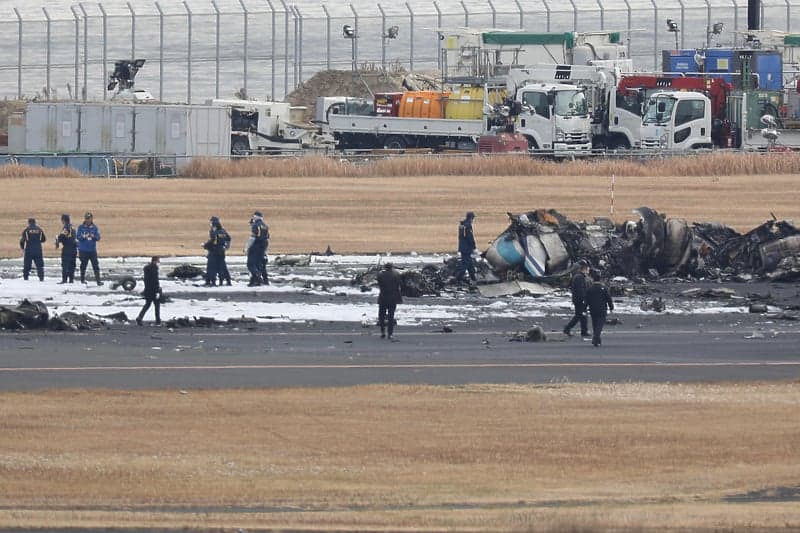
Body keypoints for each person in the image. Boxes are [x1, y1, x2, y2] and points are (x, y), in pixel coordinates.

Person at [586, 270, 614, 347]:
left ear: (593, 280)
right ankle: (596, 338)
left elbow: (586, 299)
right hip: (602, 309)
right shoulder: (603, 288)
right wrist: (611, 307)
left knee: (595, 324)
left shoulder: (590, 289)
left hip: (592, 309)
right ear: (600, 280)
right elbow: (608, 298)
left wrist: (584, 308)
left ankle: (598, 340)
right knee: (600, 325)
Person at [563, 259, 590, 338]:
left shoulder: (579, 276)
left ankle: (584, 331)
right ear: (583, 268)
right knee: (579, 315)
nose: (588, 270)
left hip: (578, 299)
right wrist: (583, 299)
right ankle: (567, 328)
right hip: (579, 300)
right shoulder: (579, 277)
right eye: (587, 268)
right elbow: (580, 290)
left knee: (583, 315)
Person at [377, 262, 403, 339]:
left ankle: (382, 332)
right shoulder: (396, 275)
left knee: (381, 316)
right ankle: (390, 333)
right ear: (391, 267)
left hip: (383, 298)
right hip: (392, 298)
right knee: (391, 316)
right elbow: (400, 284)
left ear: (385, 267)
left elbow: (379, 283)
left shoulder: (381, 275)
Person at [203, 216, 232, 286]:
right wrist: (226, 247)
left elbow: (213, 241)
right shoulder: (223, 231)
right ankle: (227, 281)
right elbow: (228, 238)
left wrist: (205, 245)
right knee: (222, 267)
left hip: (214, 251)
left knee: (211, 267)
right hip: (221, 251)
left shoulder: (214, 231)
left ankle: (211, 282)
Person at [77, 212, 103, 286]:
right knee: (83, 265)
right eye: (87, 218)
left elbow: (98, 238)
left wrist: (93, 236)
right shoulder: (81, 227)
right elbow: (78, 237)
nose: (88, 220)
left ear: (92, 219)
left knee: (95, 265)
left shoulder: (94, 227)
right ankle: (82, 280)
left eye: (89, 219)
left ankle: (98, 281)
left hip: (92, 250)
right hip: (83, 250)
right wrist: (84, 236)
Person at [245, 210, 269, 287]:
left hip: (255, 247)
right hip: (262, 247)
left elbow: (252, 238)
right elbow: (267, 239)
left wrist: (247, 248)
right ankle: (257, 281)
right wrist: (265, 251)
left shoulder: (256, 225)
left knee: (251, 264)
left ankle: (258, 278)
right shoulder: (265, 226)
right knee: (259, 264)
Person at [136, 256, 162, 326]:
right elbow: (155, 280)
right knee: (157, 305)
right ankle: (158, 321)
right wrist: (157, 290)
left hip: (147, 290)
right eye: (158, 261)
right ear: (155, 261)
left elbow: (146, 280)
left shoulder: (147, 269)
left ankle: (140, 317)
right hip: (153, 290)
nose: (158, 263)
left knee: (147, 304)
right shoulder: (154, 269)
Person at [455, 211, 477, 284]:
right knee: (465, 265)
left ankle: (473, 278)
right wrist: (474, 247)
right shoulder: (468, 226)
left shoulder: (462, 225)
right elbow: (470, 237)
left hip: (463, 247)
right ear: (471, 218)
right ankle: (458, 279)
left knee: (470, 264)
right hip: (466, 248)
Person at [55, 214, 78, 284]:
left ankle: (64, 280)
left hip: (68, 248)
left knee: (65, 264)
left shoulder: (66, 227)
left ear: (63, 220)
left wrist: (57, 240)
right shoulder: (73, 228)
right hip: (74, 248)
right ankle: (71, 279)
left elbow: (62, 236)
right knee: (72, 265)